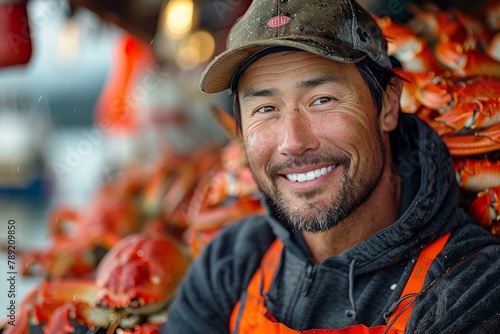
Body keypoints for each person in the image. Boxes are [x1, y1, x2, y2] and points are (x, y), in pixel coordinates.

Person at [162, 0, 500, 333]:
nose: (293, 142)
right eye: (265, 108)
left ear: (388, 105)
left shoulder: (473, 287)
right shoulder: (230, 260)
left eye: (322, 100)